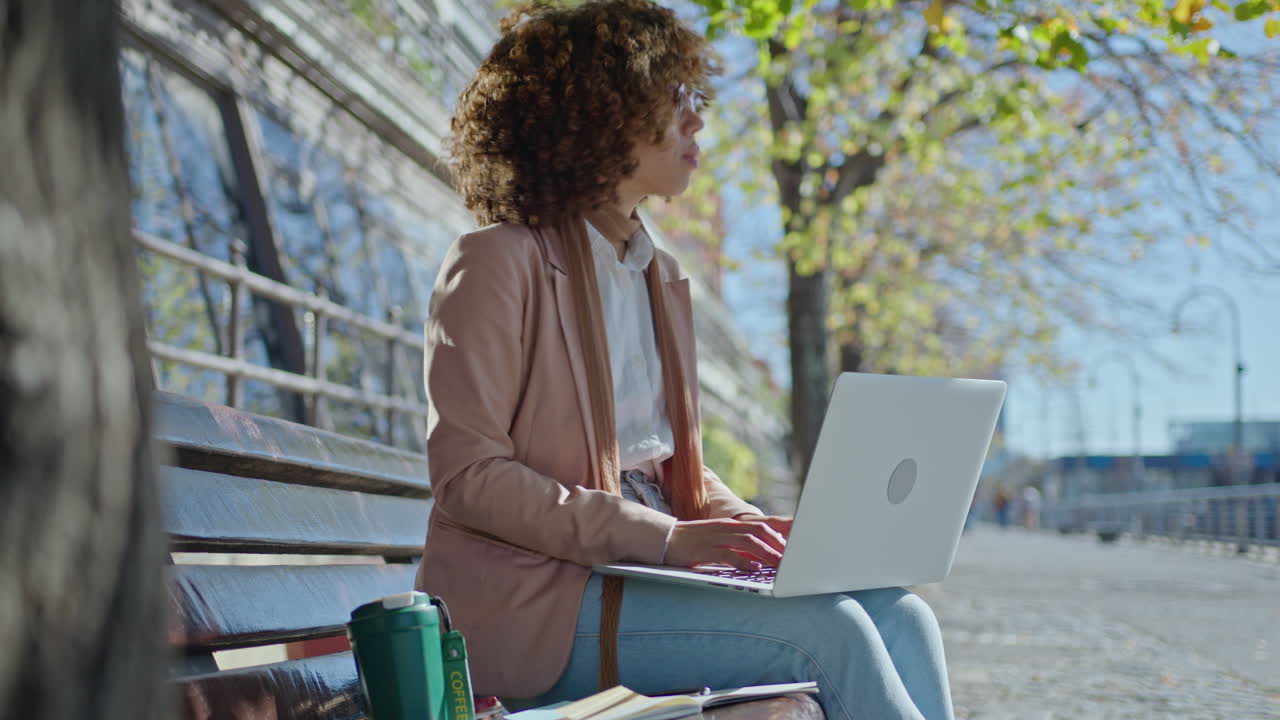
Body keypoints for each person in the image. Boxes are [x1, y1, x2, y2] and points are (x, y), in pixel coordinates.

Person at [414, 2, 954, 719]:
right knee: (834, 632)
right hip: (542, 599)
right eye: (674, 98)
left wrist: (759, 536)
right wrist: (668, 540)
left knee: (902, 614)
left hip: (642, 575)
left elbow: (671, 467)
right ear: (600, 113)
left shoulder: (657, 275)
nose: (697, 120)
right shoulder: (495, 263)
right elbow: (469, 480)